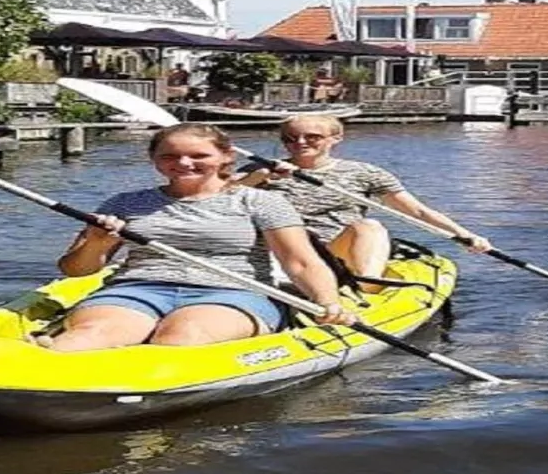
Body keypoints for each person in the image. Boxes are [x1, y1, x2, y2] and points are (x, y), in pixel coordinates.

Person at [45, 123, 351, 352]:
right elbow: (75, 270)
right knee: (87, 336)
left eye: (198, 155)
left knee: (181, 336)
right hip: (137, 288)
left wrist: (327, 301)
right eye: (170, 156)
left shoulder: (259, 201)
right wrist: (98, 242)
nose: (183, 163)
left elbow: (300, 263)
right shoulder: (123, 203)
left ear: (225, 157)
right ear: (154, 159)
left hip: (231, 292)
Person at [239, 115, 494, 283]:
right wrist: (259, 177)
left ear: (335, 139)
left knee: (370, 226)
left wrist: (464, 235)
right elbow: (215, 199)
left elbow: (416, 211)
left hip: (333, 251)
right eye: (290, 139)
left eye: (312, 137)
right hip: (279, 251)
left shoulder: (364, 173)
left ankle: (366, 285)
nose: (300, 143)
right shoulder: (259, 170)